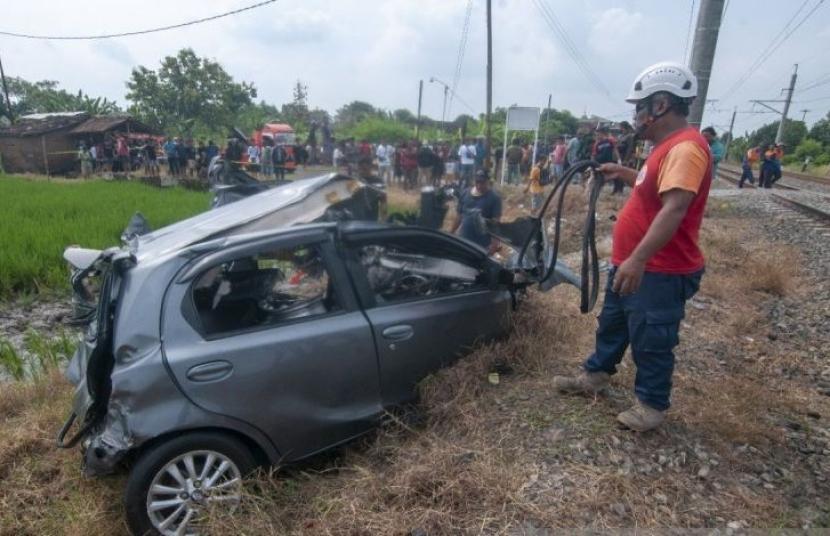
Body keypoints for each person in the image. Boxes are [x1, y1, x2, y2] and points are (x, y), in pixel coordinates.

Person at [553, 61, 711, 432]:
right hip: (634, 263)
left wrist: (639, 259)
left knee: (651, 338)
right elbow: (655, 189)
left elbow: (674, 208)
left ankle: (651, 406)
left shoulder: (686, 149)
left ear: (660, 105)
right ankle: (595, 375)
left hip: (659, 270)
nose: (636, 116)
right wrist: (624, 174)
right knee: (614, 324)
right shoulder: (665, 147)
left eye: (639, 108)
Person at [451, 170, 502, 253]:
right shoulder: (465, 193)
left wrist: (494, 245)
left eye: (482, 183)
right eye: (477, 182)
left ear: (488, 181)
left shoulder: (494, 198)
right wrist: (451, 234)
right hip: (464, 241)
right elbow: (459, 217)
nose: (479, 185)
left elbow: (495, 223)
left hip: (482, 246)